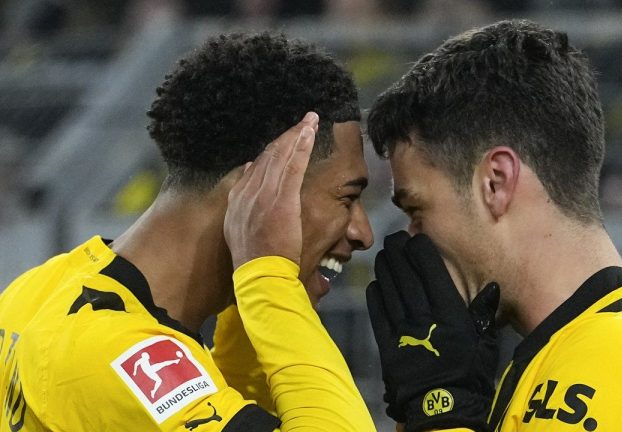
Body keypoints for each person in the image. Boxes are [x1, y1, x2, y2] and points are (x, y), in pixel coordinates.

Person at [365, 19, 622, 431]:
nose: (412, 240)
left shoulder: (620, 360)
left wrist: (439, 409)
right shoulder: (566, 351)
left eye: (417, 211)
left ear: (496, 182)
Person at [0, 32, 377, 431]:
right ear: (256, 191)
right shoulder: (118, 355)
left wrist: (248, 321)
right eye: (346, 197)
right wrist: (270, 286)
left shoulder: (37, 288)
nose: (362, 233)